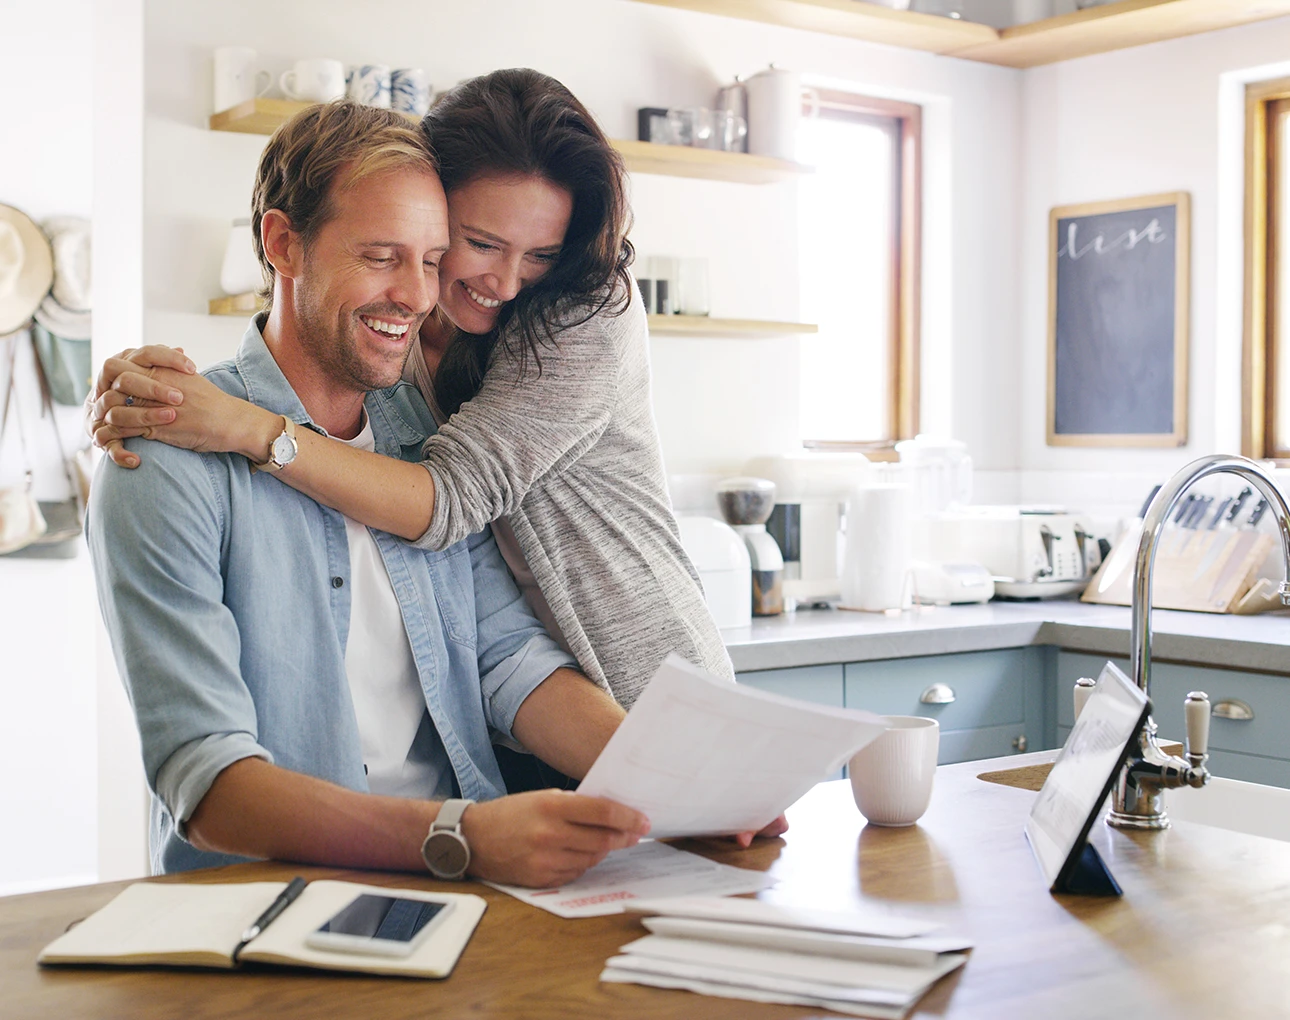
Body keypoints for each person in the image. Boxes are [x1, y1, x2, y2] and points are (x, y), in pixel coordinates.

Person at [89, 101, 654, 886]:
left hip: (462, 887)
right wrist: (463, 836)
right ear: (282, 244)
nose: (417, 295)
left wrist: (678, 782)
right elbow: (207, 780)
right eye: (382, 256)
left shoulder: (423, 441)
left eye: (431, 259)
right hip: (269, 911)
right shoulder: (166, 456)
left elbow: (506, 658)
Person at [89, 68, 734, 714]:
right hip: (517, 717)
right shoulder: (403, 336)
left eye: (540, 254)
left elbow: (449, 497)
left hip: (647, 689)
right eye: (480, 243)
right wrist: (148, 386)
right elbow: (307, 324)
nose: (509, 283)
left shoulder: (584, 317)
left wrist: (247, 426)